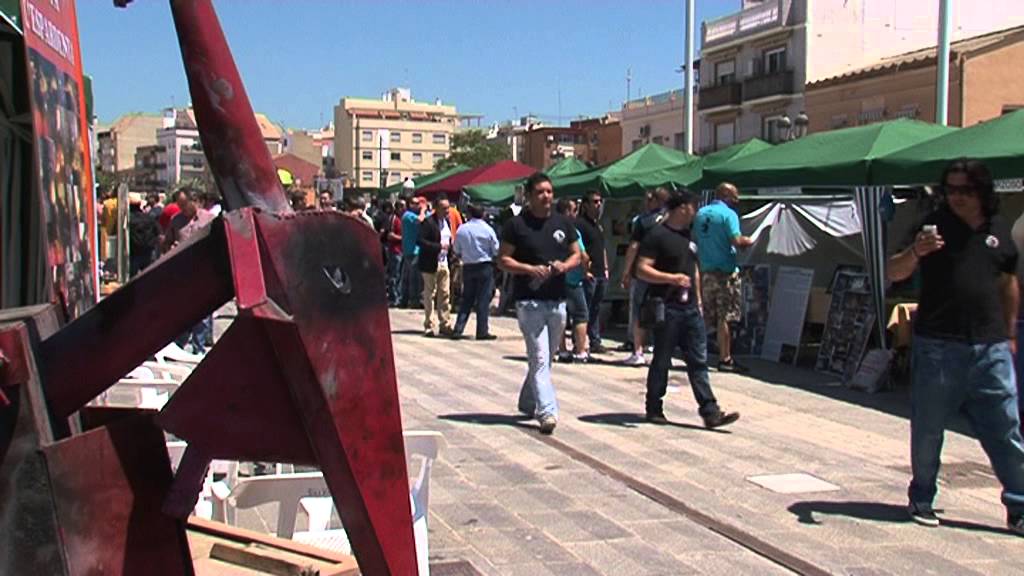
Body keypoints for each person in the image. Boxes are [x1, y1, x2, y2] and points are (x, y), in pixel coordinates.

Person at [887, 159, 1024, 535]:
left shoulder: (999, 231)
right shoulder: (931, 227)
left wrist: (1009, 332)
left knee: (1005, 428)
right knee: (929, 428)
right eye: (950, 190)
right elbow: (893, 271)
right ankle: (922, 496)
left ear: (981, 191)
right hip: (938, 345)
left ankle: (1019, 504)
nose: (956, 197)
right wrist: (916, 252)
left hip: (990, 347)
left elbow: (1008, 282)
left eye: (964, 190)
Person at [636, 189, 740, 429]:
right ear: (682, 208)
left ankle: (710, 411)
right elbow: (642, 269)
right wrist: (670, 278)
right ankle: (654, 407)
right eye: (693, 207)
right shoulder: (657, 236)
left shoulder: (691, 237)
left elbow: (693, 269)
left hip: (690, 308)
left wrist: (700, 300)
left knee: (698, 360)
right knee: (662, 359)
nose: (696, 212)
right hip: (667, 307)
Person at [498, 173, 581, 435]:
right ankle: (547, 412)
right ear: (530, 196)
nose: (546, 197)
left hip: (557, 301)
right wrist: (529, 269)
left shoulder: (563, 223)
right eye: (541, 192)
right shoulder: (516, 225)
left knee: (546, 359)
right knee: (540, 356)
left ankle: (527, 400)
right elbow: (503, 259)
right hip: (529, 302)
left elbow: (578, 254)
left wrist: (563, 266)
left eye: (549, 191)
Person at [694, 182, 754, 372]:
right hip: (725, 273)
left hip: (705, 272)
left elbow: (695, 240)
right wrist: (749, 240)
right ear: (726, 196)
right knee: (724, 318)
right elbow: (736, 240)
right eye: (734, 197)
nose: (736, 201)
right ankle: (725, 358)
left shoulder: (700, 214)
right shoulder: (729, 215)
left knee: (705, 317)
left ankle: (697, 354)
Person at [620, 187, 670, 366]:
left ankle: (638, 351)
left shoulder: (643, 221)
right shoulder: (672, 221)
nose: (647, 203)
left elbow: (633, 247)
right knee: (664, 311)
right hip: (666, 273)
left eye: (650, 200)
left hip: (643, 272)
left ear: (656, 201)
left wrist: (626, 272)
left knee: (639, 311)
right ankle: (662, 352)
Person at [452, 203, 499, 340]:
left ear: (469, 214)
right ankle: (482, 330)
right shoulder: (488, 229)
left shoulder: (462, 229)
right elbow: (496, 249)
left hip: (468, 266)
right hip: (485, 266)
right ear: (483, 214)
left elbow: (456, 249)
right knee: (483, 299)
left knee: (467, 298)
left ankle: (458, 329)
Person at [555, 198, 590, 363]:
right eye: (574, 210)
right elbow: (582, 255)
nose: (576, 214)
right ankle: (581, 351)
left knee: (561, 315)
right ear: (567, 212)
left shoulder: (550, 229)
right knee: (581, 314)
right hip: (573, 279)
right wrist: (586, 269)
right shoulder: (573, 231)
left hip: (557, 278)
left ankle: (561, 349)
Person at [417, 195, 454, 337]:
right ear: (436, 208)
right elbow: (420, 241)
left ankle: (445, 323)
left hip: (444, 263)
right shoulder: (428, 223)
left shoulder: (448, 222)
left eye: (448, 208)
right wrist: (438, 246)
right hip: (430, 263)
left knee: (445, 294)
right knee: (429, 294)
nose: (447, 211)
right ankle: (429, 325)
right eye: (444, 208)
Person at [577, 190, 609, 354]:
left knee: (596, 308)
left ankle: (595, 340)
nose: (598, 205)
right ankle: (580, 342)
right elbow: (578, 250)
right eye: (595, 202)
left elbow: (602, 248)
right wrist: (584, 271)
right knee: (584, 309)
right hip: (588, 274)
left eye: (600, 201)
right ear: (586, 204)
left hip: (600, 273)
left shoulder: (598, 225)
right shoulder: (580, 224)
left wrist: (605, 268)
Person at [400, 196, 427, 308]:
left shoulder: (415, 215)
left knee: (409, 277)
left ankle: (405, 300)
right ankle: (413, 300)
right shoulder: (408, 216)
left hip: (415, 250)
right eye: (414, 203)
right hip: (412, 250)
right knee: (414, 278)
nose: (416, 205)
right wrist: (423, 210)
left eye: (418, 203)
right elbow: (420, 220)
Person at [127, 192, 160, 277]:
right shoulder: (149, 218)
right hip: (148, 252)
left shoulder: (128, 220)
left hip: (133, 253)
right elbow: (158, 232)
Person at [385, 199, 406, 306]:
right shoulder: (394, 219)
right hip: (395, 251)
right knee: (394, 275)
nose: (404, 209)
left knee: (400, 276)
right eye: (402, 207)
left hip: (402, 251)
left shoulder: (402, 219)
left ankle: (399, 296)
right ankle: (394, 297)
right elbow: (390, 235)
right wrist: (403, 238)